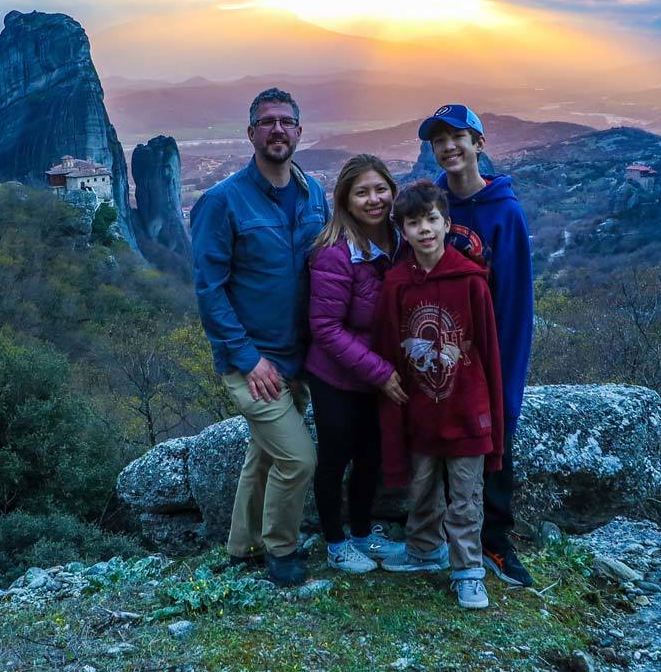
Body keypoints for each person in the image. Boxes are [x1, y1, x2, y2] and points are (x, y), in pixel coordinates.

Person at [190, 87, 329, 587]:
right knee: (298, 458)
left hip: (299, 357)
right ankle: (281, 549)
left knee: (265, 453)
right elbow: (210, 290)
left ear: (298, 131)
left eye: (285, 122)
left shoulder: (314, 194)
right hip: (251, 360)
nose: (277, 129)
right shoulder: (221, 202)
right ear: (251, 133)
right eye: (266, 122)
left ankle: (240, 545)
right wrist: (249, 360)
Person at [417, 104, 536, 588]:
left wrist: (506, 373)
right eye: (439, 140)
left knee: (496, 444)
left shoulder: (506, 213)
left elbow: (515, 300)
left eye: (457, 138)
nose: (448, 147)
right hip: (440, 354)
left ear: (479, 145)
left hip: (490, 353)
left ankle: (496, 543)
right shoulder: (431, 207)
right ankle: (437, 541)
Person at [375, 180, 504, 610]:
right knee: (422, 488)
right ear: (403, 231)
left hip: (466, 407)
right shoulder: (397, 285)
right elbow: (390, 347)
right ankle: (422, 550)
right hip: (420, 408)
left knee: (465, 495)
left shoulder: (471, 282)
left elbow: (487, 349)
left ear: (447, 224)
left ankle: (468, 570)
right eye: (413, 223)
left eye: (432, 220)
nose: (424, 229)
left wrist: (491, 409)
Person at [305, 154, 408, 573]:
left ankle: (364, 534)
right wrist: (382, 373)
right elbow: (325, 328)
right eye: (361, 192)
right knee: (335, 457)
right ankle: (335, 543)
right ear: (345, 199)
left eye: (380, 189)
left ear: (392, 191)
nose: (373, 199)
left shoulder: (401, 240)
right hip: (336, 377)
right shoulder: (335, 251)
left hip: (376, 377)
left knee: (372, 456)